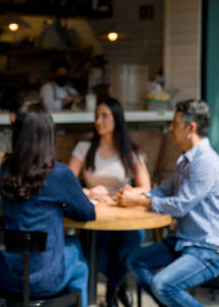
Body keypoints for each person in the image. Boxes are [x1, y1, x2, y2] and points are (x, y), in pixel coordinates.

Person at [118, 100, 219, 307]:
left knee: (163, 284)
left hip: (213, 248)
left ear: (191, 128)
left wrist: (141, 201)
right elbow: (164, 191)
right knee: (135, 260)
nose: (170, 129)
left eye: (174, 124)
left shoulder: (204, 162)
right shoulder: (185, 159)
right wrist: (137, 196)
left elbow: (181, 205)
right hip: (185, 241)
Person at [0, 102, 96, 307]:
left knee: (69, 249)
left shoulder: (6, 168)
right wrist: (64, 206)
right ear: (48, 137)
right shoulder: (59, 174)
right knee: (79, 260)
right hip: (43, 280)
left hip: (7, 274)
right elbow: (88, 213)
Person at [67, 96, 151, 307]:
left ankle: (113, 288)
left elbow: (146, 188)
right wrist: (89, 192)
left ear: (117, 119)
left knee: (134, 239)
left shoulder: (132, 151)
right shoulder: (84, 147)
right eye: (96, 116)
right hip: (94, 212)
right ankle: (118, 285)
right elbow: (67, 183)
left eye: (105, 116)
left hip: (123, 212)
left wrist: (128, 194)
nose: (99, 121)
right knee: (95, 251)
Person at [0, 90, 39, 216]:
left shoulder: (40, 143)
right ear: (13, 116)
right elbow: (2, 180)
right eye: (29, 114)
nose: (35, 119)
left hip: (25, 214)